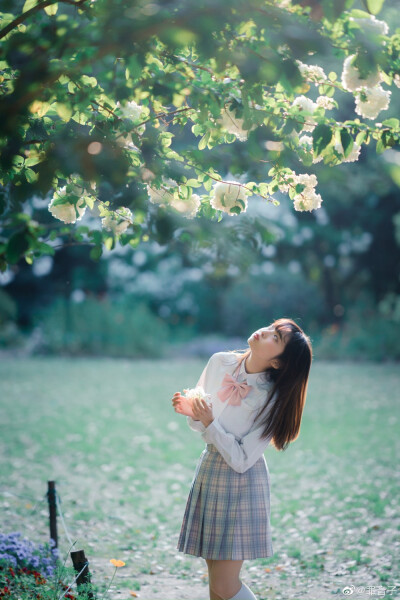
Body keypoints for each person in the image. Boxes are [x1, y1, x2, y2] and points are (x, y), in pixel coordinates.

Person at [171, 318, 313, 600]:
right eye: (272, 328)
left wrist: (209, 421)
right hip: (211, 468)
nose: (265, 332)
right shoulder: (218, 362)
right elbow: (199, 427)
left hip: (243, 482)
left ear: (278, 363)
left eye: (276, 338)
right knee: (215, 583)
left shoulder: (272, 399)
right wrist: (193, 413)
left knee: (225, 585)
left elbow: (241, 459)